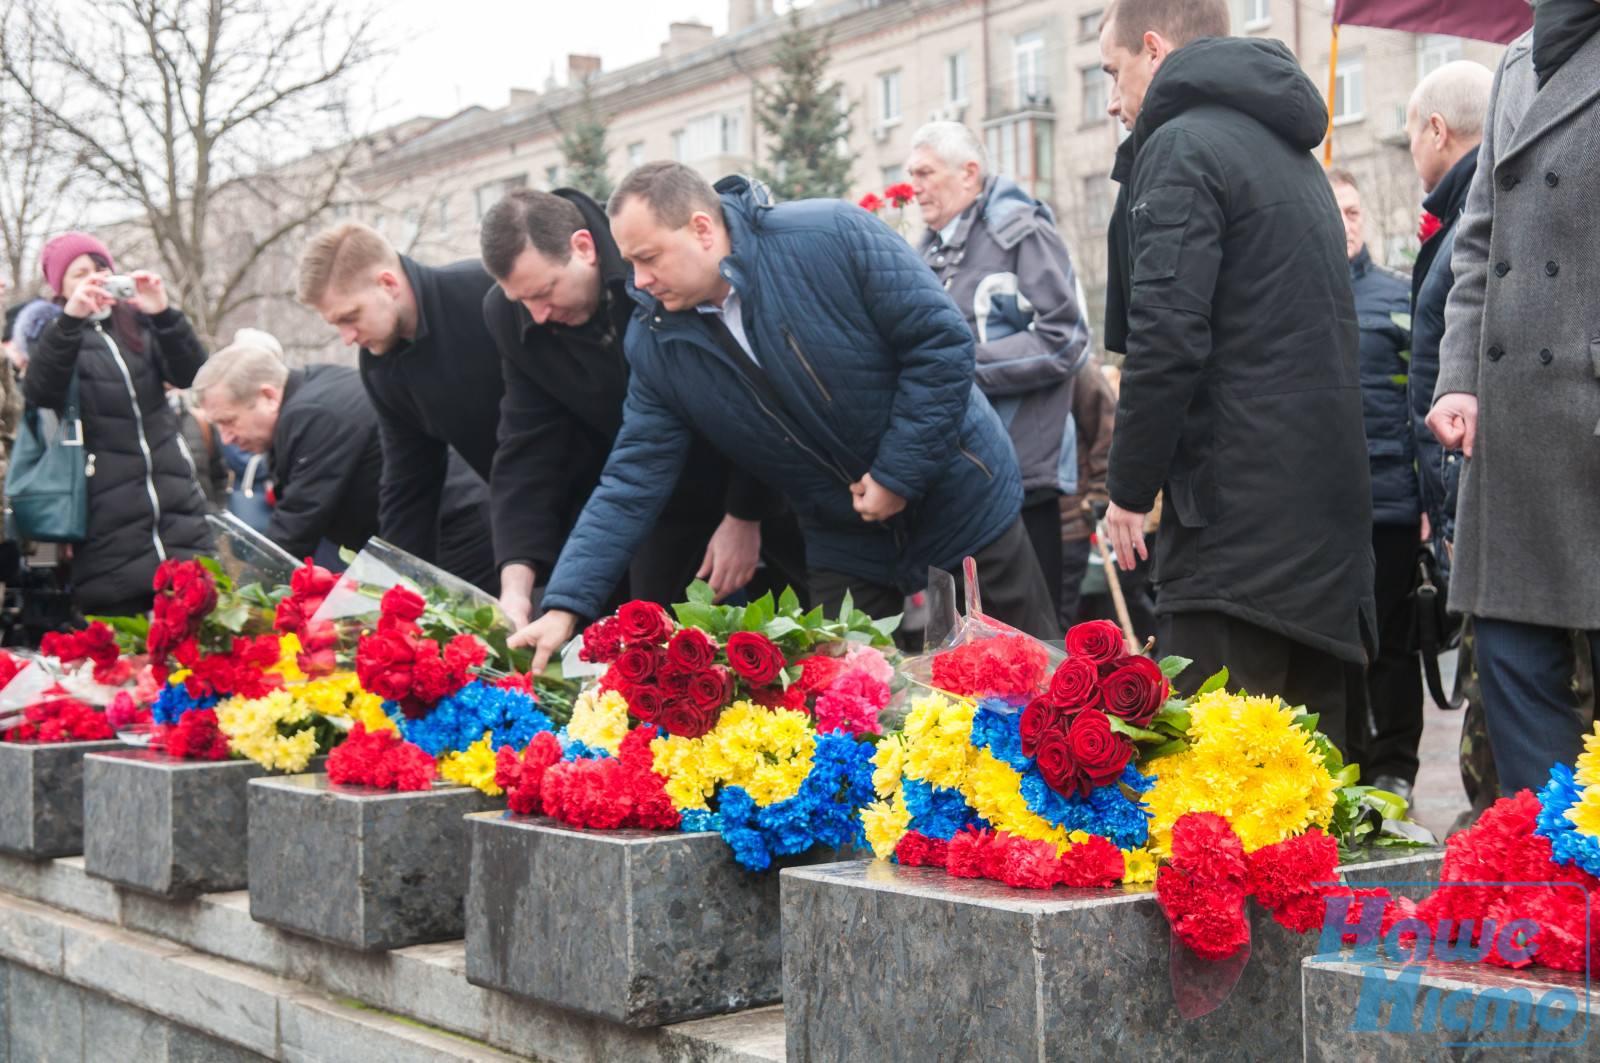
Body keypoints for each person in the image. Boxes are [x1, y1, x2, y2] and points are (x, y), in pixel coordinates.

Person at [513, 161, 1055, 670]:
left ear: (702, 229)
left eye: (649, 257)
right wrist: (565, 605)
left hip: (959, 498)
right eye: (629, 261)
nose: (638, 280)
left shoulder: (827, 235)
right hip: (843, 537)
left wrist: (898, 474)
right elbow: (632, 476)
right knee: (859, 708)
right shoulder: (656, 343)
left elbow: (941, 344)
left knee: (1024, 685)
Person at [1096, 0, 1374, 753]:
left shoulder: (1182, 145)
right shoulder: (1287, 147)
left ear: (1153, 49)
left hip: (1232, 534)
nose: (1113, 102)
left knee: (1218, 802)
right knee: (1312, 800)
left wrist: (1128, 488)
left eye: (1113, 74)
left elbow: (1167, 333)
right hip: (1319, 527)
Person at [477, 188, 807, 628]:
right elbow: (526, 448)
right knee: (656, 642)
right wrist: (516, 585)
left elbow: (750, 388)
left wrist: (745, 514)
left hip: (764, 470)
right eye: (522, 301)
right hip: (655, 490)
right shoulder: (511, 315)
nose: (536, 315)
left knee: (823, 619)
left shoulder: (655, 264)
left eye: (545, 291)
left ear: (583, 248)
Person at [1425, 11, 1600, 796]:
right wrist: (1458, 372)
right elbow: (1479, 236)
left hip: (1586, 412)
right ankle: (1557, 888)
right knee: (1510, 664)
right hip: (1514, 423)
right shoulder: (1516, 60)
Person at [907, 121, 1093, 616]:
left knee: (1031, 643)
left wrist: (961, 365)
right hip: (952, 480)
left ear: (969, 173)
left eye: (926, 173)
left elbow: (1066, 338)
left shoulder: (1020, 232)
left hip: (1021, 474)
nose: (914, 186)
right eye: (911, 174)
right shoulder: (923, 252)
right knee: (957, 651)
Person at [296, 221, 501, 593]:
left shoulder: (483, 291)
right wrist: (391, 590)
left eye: (350, 316)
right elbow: (408, 483)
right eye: (336, 324)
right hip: (526, 519)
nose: (347, 338)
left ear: (388, 284)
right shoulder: (379, 366)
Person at [191, 329, 496, 569]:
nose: (226, 439)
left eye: (229, 422)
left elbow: (295, 529)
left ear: (268, 396)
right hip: (430, 535)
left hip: (456, 535)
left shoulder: (314, 415)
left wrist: (240, 605)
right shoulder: (307, 393)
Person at [24, 233, 212, 616]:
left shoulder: (140, 327)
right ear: (60, 288)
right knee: (129, 647)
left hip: (176, 505)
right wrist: (71, 319)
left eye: (101, 269)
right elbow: (42, 391)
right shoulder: (55, 334)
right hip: (106, 518)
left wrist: (162, 313)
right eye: (80, 274)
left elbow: (192, 372)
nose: (95, 279)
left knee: (198, 630)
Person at [1328, 169, 1421, 800]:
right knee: (1339, 644)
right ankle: (1351, 762)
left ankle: (1396, 765)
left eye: (1355, 211)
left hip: (1391, 504)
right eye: (1335, 212)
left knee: (1392, 642)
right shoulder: (1296, 299)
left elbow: (1426, 400)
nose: (1348, 223)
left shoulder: (1398, 297)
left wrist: (1426, 502)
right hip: (1326, 510)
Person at [1404, 61, 1494, 569]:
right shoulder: (1467, 217)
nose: (1413, 147)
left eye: (1413, 132)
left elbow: (1474, 375)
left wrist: (1456, 518)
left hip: (1475, 511)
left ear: (1437, 130)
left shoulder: (1473, 229)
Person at [1057, 356, 1116, 629]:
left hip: (1069, 518)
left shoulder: (1079, 367)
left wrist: (1098, 491)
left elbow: (1107, 431)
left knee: (1059, 615)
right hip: (1013, 520)